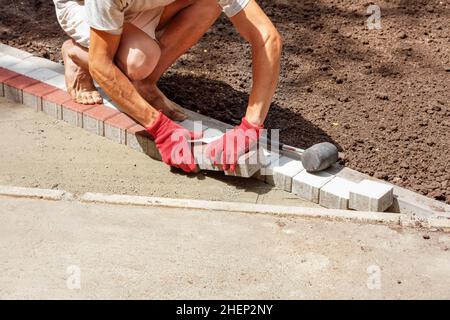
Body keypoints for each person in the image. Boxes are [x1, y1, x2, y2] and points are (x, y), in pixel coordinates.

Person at [53, 0, 282, 173]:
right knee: (139, 61)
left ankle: (144, 84)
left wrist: (251, 126)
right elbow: (101, 64)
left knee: (210, 3)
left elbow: (266, 37)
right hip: (81, 7)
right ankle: (75, 54)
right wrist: (159, 127)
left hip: (135, 6)